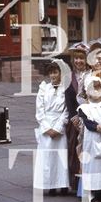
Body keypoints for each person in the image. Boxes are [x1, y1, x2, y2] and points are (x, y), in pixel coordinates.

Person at [34, 61, 70, 195]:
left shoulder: (65, 89)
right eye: (51, 73)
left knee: (61, 157)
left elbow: (66, 110)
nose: (53, 75)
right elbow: (39, 109)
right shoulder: (44, 88)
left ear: (61, 73)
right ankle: (51, 185)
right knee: (48, 157)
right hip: (46, 125)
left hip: (59, 125)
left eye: (56, 72)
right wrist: (46, 127)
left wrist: (58, 128)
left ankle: (63, 184)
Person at [65, 42, 90, 193]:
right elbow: (69, 99)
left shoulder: (92, 75)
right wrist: (74, 118)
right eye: (76, 58)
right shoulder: (69, 77)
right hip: (75, 121)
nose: (78, 61)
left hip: (90, 119)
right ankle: (76, 185)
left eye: (81, 58)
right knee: (74, 151)